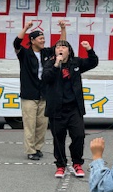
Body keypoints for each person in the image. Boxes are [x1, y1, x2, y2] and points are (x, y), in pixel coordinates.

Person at [42, 40, 98, 178]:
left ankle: (77, 163)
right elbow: (46, 78)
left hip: (74, 108)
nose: (60, 49)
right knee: (58, 138)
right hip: (57, 109)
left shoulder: (76, 63)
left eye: (63, 47)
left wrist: (89, 49)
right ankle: (60, 165)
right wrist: (56, 65)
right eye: (58, 47)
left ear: (69, 50)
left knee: (79, 135)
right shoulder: (50, 63)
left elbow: (93, 62)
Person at [13, 21, 66, 161]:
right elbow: (16, 43)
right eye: (40, 38)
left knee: (42, 124)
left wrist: (62, 28)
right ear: (32, 40)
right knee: (30, 124)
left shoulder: (47, 53)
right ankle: (30, 150)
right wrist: (26, 28)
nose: (43, 41)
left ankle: (37, 148)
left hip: (45, 94)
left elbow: (61, 45)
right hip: (29, 95)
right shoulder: (25, 53)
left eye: (44, 38)